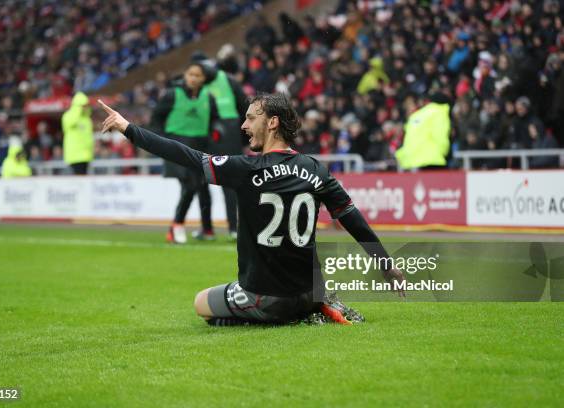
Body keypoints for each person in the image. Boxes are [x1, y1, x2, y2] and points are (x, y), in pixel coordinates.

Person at [99, 93, 405, 326]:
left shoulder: (245, 169)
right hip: (309, 291)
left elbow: (187, 157)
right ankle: (316, 305)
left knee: (201, 304)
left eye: (250, 118)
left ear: (272, 122)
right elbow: (351, 217)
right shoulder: (316, 169)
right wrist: (385, 263)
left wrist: (128, 128)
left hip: (267, 297)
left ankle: (280, 317)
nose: (244, 125)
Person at [149, 63, 218, 243]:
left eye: (198, 75)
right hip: (176, 145)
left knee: (202, 186)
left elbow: (214, 121)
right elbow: (156, 118)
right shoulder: (172, 94)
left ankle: (207, 229)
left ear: (204, 79)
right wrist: (161, 141)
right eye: (190, 74)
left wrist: (216, 133)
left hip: (200, 147)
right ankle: (176, 226)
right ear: (185, 76)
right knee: (190, 184)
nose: (193, 78)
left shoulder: (208, 97)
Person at [194, 53, 248, 239]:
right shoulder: (229, 80)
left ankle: (208, 229)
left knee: (202, 182)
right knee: (230, 182)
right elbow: (245, 108)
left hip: (207, 134)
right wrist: (244, 140)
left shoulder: (197, 84)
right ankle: (234, 229)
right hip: (229, 134)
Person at [395, 93, 451, 170]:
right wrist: (444, 151)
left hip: (412, 161)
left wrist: (401, 156)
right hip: (433, 159)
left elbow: (409, 139)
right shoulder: (439, 112)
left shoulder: (417, 115)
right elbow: (440, 134)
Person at [62, 92, 94, 175]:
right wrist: (77, 110)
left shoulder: (87, 119)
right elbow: (68, 123)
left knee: (83, 180)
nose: (85, 107)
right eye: (83, 105)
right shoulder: (68, 116)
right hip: (75, 155)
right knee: (78, 181)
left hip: (86, 155)